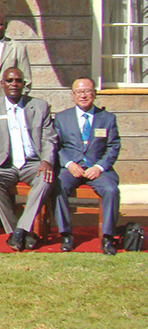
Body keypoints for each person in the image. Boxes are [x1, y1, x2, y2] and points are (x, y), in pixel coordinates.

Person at [0, 67, 61, 251]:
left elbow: (49, 138)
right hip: (4, 166)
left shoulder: (39, 106)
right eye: (9, 81)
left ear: (24, 84)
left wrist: (46, 161)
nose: (14, 84)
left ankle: (19, 232)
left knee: (46, 179)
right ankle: (22, 231)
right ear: (2, 84)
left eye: (18, 81)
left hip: (33, 164)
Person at [53, 78, 122, 256]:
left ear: (95, 93)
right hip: (71, 168)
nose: (83, 95)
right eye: (79, 92)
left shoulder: (107, 118)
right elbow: (56, 146)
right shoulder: (61, 118)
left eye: (87, 91)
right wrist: (69, 164)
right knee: (57, 186)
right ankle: (66, 234)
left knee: (111, 190)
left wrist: (99, 167)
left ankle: (107, 237)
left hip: (98, 169)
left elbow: (113, 146)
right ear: (72, 95)